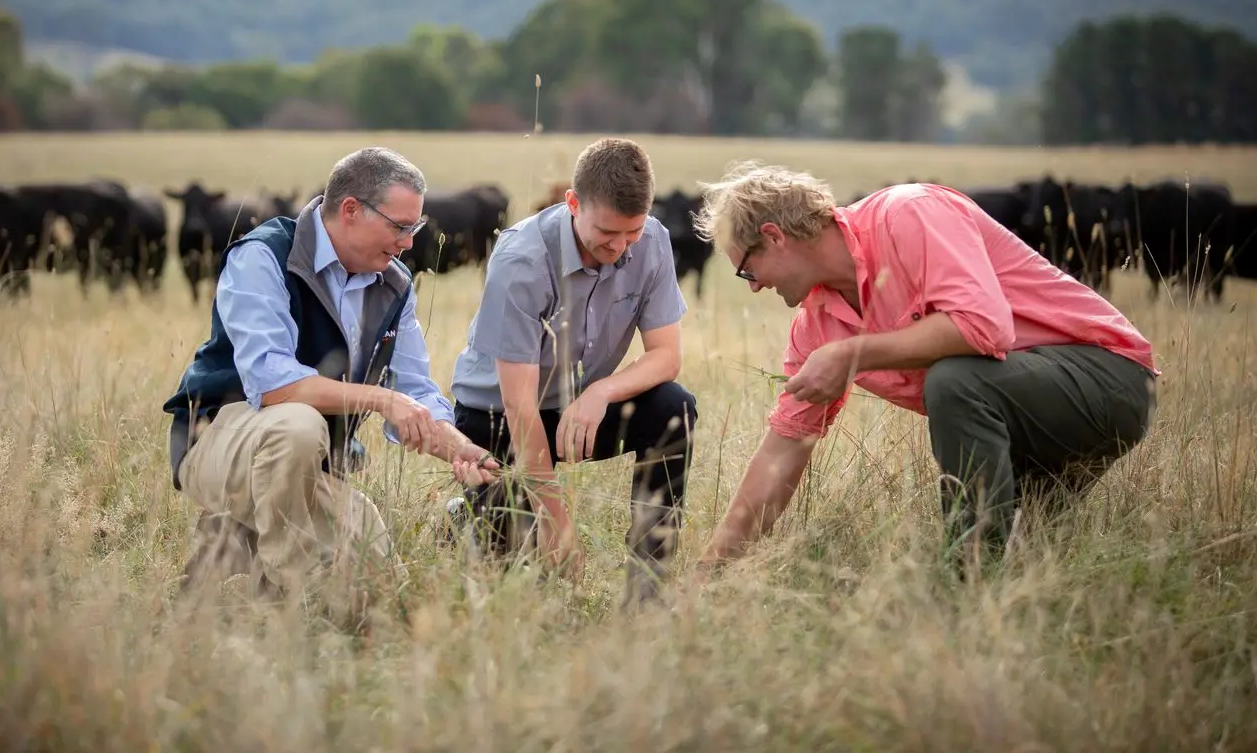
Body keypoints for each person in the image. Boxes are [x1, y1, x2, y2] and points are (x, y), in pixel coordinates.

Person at [690, 162, 1158, 574]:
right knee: (1030, 561)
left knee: (954, 381)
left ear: (774, 237)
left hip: (1109, 379)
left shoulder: (908, 213)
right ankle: (992, 579)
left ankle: (969, 575)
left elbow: (984, 328)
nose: (753, 288)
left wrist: (853, 355)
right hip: (1029, 428)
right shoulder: (816, 325)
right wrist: (709, 570)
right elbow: (783, 451)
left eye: (747, 272)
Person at [162, 146, 500, 608]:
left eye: (414, 228)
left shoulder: (396, 286)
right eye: (400, 227)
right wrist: (380, 400)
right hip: (216, 440)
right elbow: (274, 383)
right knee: (297, 428)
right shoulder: (263, 256)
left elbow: (415, 391)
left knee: (382, 582)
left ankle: (224, 555)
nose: (408, 243)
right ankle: (299, 600)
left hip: (309, 464)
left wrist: (461, 449)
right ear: (350, 210)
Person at [446, 137, 698, 607]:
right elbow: (519, 405)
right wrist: (557, 522)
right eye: (607, 231)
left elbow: (666, 356)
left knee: (674, 407)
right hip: (497, 416)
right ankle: (467, 518)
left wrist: (602, 392)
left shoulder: (655, 241)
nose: (621, 246)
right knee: (516, 582)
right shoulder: (521, 258)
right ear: (573, 203)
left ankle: (647, 587)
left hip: (580, 409)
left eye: (633, 232)